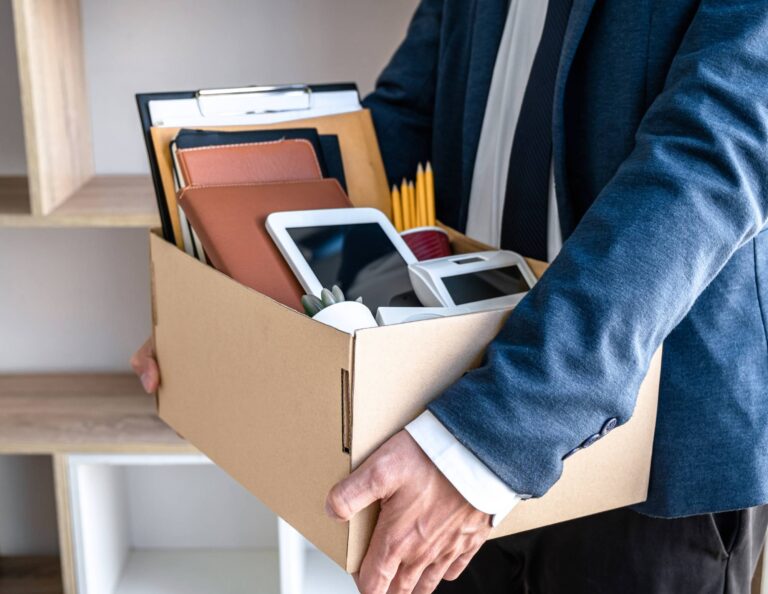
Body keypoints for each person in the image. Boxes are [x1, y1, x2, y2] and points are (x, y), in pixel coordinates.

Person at [133, 1, 768, 592]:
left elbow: (711, 157)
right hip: (445, 389)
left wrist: (484, 445)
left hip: (636, 450)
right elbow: (404, 119)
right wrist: (220, 310)